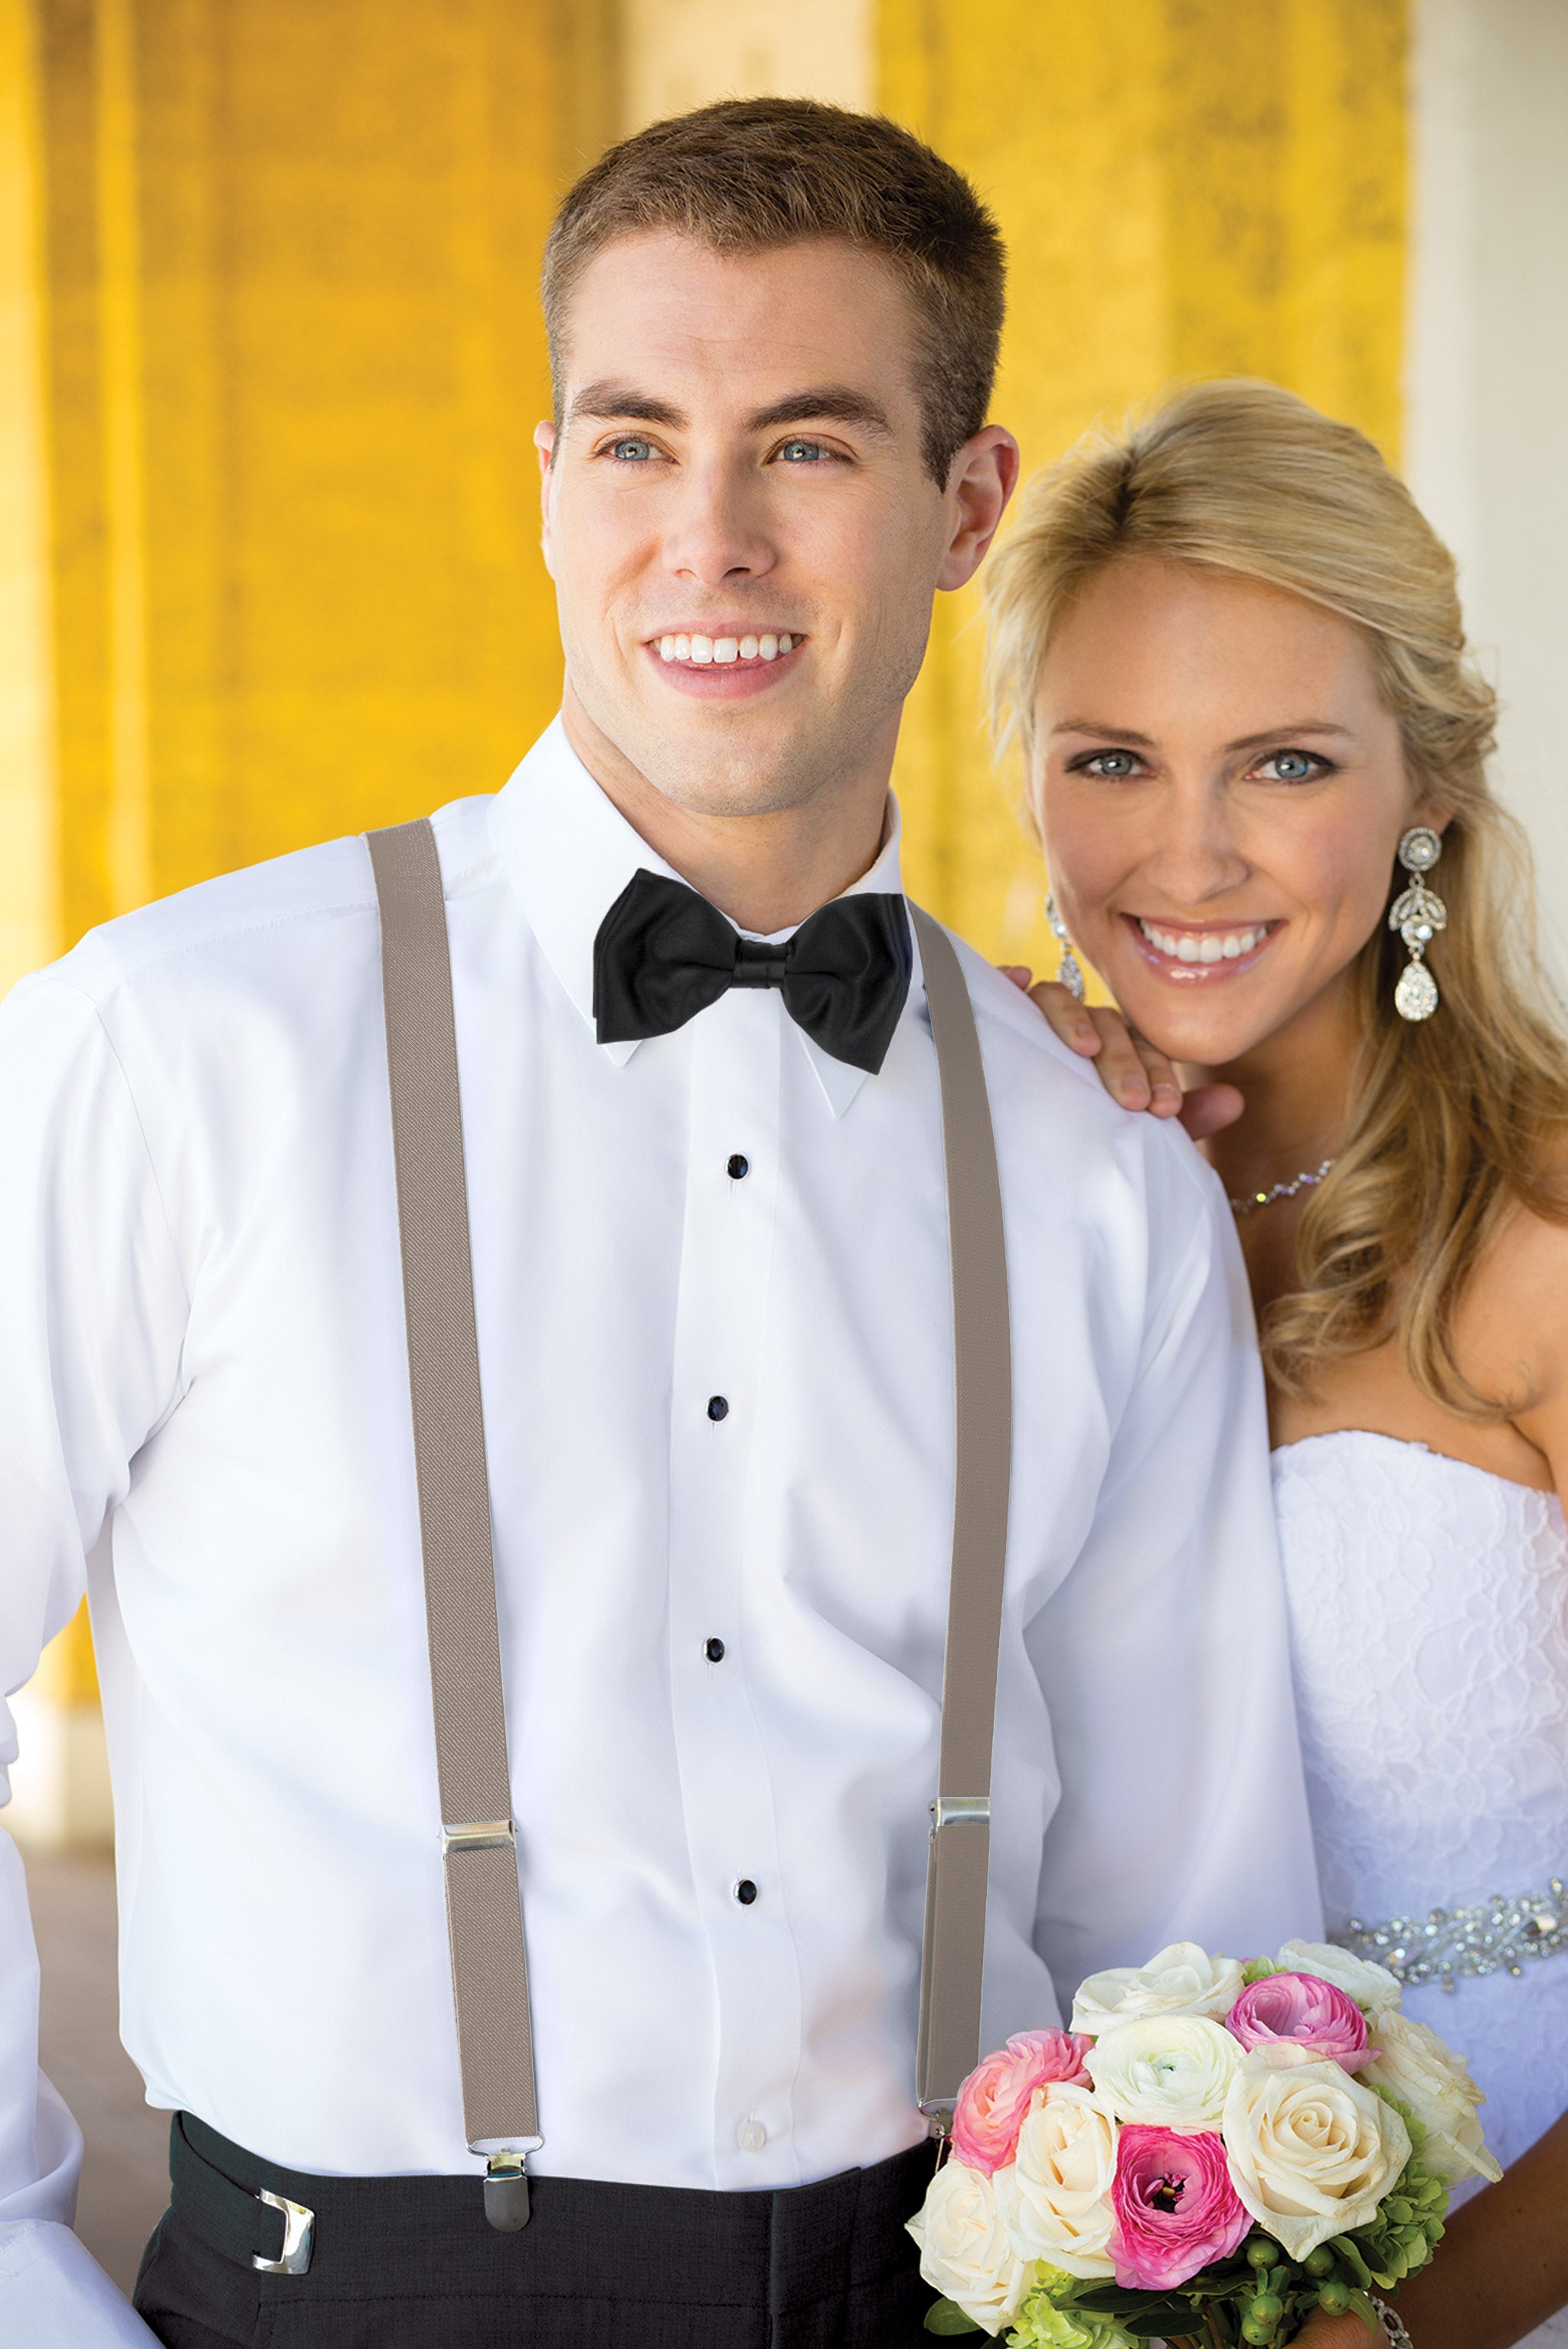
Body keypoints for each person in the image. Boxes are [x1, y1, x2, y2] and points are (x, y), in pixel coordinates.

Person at [0, 112, 1320, 2349]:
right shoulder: (175, 1040)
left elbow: (1186, 1899)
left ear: (965, 506)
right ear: (546, 483)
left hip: (956, 2295)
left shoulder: (1102, 1167)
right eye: (635, 442)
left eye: (804, 447)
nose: (708, 540)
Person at [990, 377, 1568, 2349]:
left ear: (1422, 782)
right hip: (1069, 2261)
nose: (1187, 855)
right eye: (1113, 759)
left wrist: (1405, 2334)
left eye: (1284, 763)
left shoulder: (1549, 1237)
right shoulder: (983, 1198)